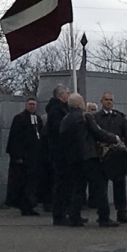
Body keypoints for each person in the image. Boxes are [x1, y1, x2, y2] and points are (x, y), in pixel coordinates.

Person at [59, 93, 120, 227]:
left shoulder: (66, 119)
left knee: (78, 188)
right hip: (89, 157)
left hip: (73, 159)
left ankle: (75, 217)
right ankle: (104, 217)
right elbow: (97, 132)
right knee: (99, 187)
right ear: (80, 104)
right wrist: (114, 138)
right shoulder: (85, 116)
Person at [94, 91, 127, 224]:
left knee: (120, 186)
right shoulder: (96, 117)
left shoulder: (120, 118)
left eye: (111, 100)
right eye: (106, 99)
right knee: (102, 188)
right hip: (103, 158)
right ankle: (104, 216)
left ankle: (122, 213)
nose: (109, 102)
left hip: (118, 158)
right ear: (101, 101)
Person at [5, 97, 43, 216]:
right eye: (30, 104)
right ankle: (24, 206)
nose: (32, 107)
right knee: (22, 182)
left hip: (34, 156)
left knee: (32, 183)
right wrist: (17, 155)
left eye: (34, 105)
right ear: (26, 105)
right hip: (23, 157)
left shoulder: (38, 119)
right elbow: (15, 138)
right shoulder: (19, 119)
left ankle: (31, 205)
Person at [45, 85, 71, 226]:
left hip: (61, 152)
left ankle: (66, 212)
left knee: (65, 184)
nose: (69, 95)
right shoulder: (56, 110)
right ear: (61, 95)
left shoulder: (61, 109)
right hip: (60, 152)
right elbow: (58, 130)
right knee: (61, 184)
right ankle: (59, 214)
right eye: (67, 93)